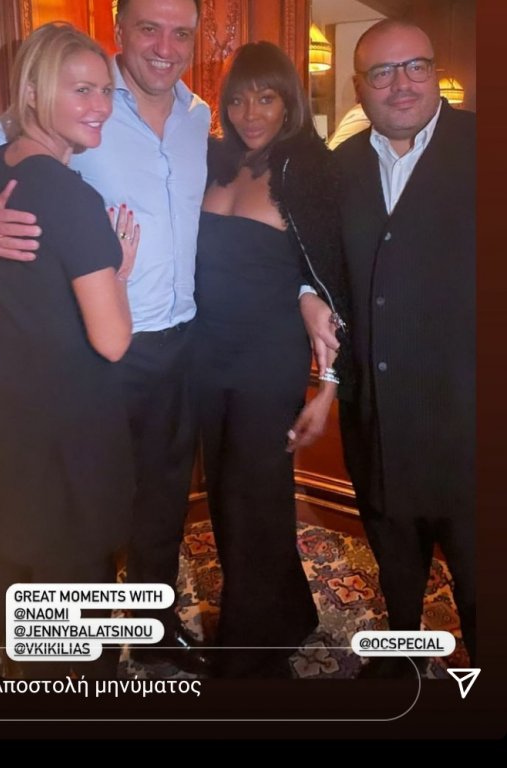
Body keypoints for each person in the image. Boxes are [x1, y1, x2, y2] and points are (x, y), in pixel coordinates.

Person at [0, 0, 212, 667]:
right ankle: (66, 648)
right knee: (79, 510)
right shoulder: (77, 100)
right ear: (120, 28)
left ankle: (153, 625)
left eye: (181, 33)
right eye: (149, 28)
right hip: (94, 351)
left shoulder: (200, 116)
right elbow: (3, 160)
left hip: (176, 339)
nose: (165, 48)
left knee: (162, 502)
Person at [303, 20, 475, 676]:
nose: (400, 84)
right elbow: (312, 260)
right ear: (358, 86)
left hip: (468, 424)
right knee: (395, 566)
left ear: (434, 72)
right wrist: (306, 295)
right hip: (377, 419)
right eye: (382, 72)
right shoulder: (337, 168)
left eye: (415, 66)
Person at [193, 41, 348, 677]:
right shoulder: (215, 159)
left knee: (253, 496)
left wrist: (328, 386)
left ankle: (247, 655)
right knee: (228, 494)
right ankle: (287, 614)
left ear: (289, 101)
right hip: (205, 354)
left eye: (265, 97)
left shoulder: (309, 167)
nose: (250, 113)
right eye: (237, 99)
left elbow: (332, 275)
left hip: (266, 359)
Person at [0, 22, 139, 677]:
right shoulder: (71, 196)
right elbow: (113, 340)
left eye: (104, 90)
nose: (99, 105)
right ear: (31, 91)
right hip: (65, 441)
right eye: (80, 89)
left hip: (4, 430)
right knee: (72, 626)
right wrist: (120, 273)